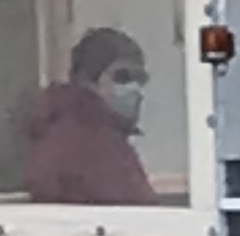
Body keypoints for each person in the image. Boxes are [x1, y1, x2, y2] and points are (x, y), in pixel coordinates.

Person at [19, 26, 161, 204]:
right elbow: (131, 212)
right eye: (122, 77)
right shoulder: (87, 143)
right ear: (88, 80)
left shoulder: (86, 132)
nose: (134, 89)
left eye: (140, 79)